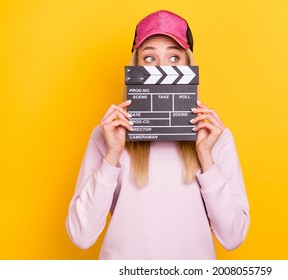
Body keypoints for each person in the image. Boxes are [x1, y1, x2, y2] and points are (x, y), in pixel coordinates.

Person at [66, 10, 250, 260]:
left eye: (173, 57)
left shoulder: (216, 138)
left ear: (188, 67)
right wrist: (112, 156)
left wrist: (206, 158)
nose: (162, 67)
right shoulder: (107, 136)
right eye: (150, 58)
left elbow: (233, 236)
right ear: (136, 68)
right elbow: (80, 234)